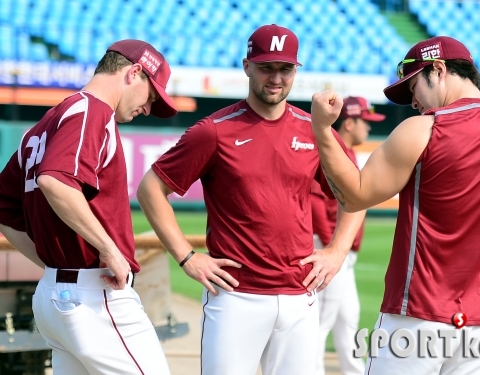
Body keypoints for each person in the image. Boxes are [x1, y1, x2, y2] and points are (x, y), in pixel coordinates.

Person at [310, 35, 480, 374]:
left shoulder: (424, 128)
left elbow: (354, 195)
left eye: (413, 88)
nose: (413, 102)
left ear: (438, 70)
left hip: (414, 321)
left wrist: (323, 129)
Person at [136, 24, 363, 375]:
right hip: (235, 298)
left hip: (298, 297)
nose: (276, 78)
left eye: (285, 69)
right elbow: (151, 188)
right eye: (266, 67)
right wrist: (187, 258)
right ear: (246, 66)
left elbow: (357, 192)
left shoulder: (313, 129)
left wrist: (337, 252)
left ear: (296, 70)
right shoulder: (214, 131)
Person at [0, 39, 178, 375]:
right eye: (151, 96)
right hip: (94, 296)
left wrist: (52, 264)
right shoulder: (91, 110)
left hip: (57, 295)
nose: (149, 109)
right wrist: (108, 248)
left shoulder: (45, 124)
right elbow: (55, 180)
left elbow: (4, 206)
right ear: (134, 72)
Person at [312, 96, 385, 375]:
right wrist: (333, 244)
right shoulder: (333, 152)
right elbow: (315, 200)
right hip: (332, 250)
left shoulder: (347, 153)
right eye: (365, 122)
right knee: (321, 322)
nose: (368, 128)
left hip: (343, 254)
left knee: (348, 320)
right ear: (350, 122)